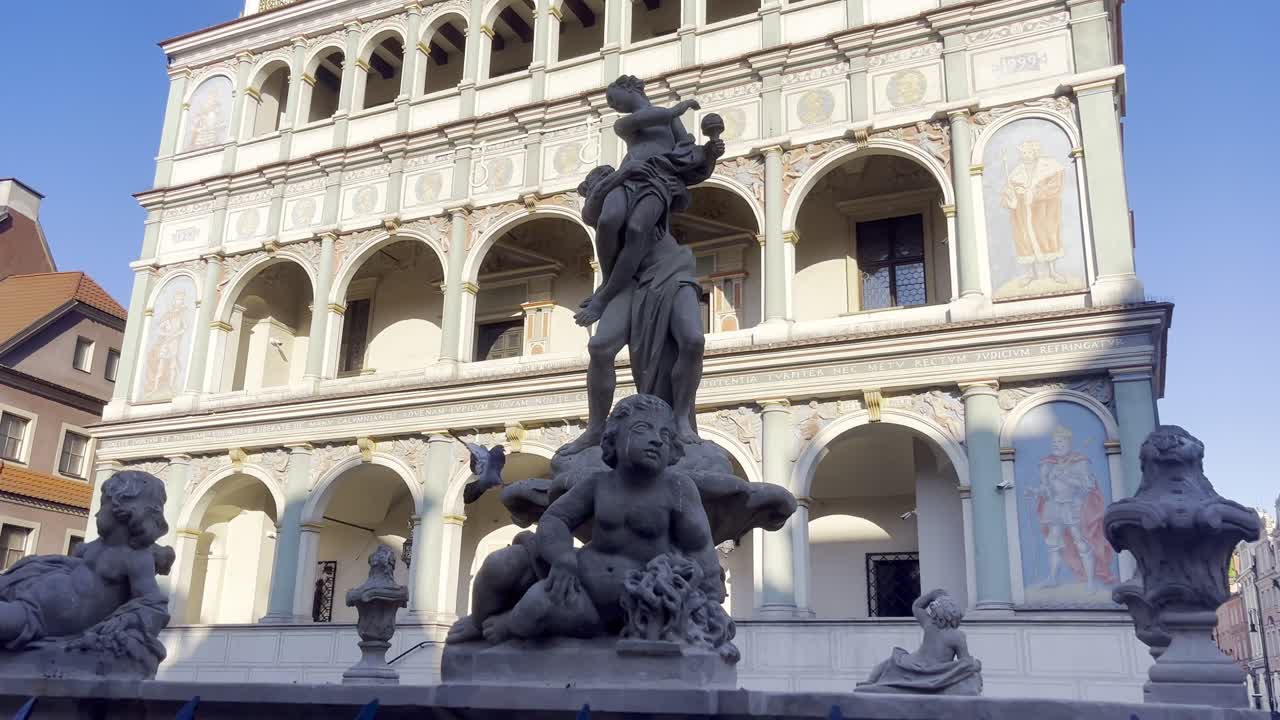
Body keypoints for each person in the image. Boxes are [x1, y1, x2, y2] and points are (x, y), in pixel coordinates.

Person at [447, 394, 722, 644]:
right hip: (573, 577)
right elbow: (555, 518)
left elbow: (700, 548)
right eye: (642, 430)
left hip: (618, 604)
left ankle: (511, 624)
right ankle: (477, 620)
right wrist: (563, 557)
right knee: (499, 564)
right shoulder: (599, 483)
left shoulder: (678, 488)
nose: (656, 439)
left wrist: (709, 606)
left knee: (533, 610)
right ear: (614, 437)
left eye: (665, 434)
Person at [558, 75, 725, 456]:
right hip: (627, 282)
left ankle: (681, 419)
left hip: (669, 268)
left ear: (630, 90)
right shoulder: (608, 202)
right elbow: (596, 215)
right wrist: (617, 178)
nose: (614, 105)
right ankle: (596, 429)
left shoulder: (654, 182)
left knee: (693, 341)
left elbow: (689, 158)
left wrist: (711, 150)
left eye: (615, 97)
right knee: (600, 348)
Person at [0, 471, 172, 650]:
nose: (96, 514)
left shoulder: (135, 557)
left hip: (37, 617)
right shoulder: (94, 546)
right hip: (26, 592)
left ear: (126, 512)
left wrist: (125, 621)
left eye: (103, 504)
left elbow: (152, 602)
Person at [858, 589, 983, 695]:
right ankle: (869, 684)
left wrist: (932, 595)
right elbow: (964, 664)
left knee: (887, 663)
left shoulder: (929, 624)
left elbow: (916, 606)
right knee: (973, 675)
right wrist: (975, 664)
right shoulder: (957, 636)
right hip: (934, 672)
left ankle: (869, 683)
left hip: (912, 664)